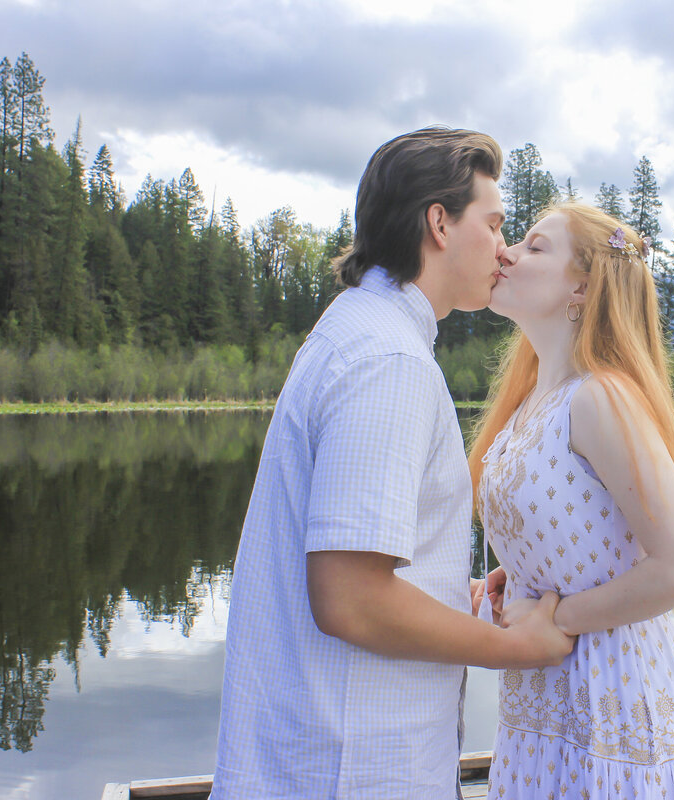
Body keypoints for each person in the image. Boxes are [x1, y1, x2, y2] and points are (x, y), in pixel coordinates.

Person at [211, 127, 574, 800]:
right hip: (349, 771)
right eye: (493, 224)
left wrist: (446, 594)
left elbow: (355, 569)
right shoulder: (390, 363)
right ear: (439, 222)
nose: (503, 247)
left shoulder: (356, 329)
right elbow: (350, 599)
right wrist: (516, 649)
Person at [468, 203, 674, 798]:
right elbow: (583, 529)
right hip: (545, 702)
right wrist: (519, 574)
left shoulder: (601, 397)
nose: (506, 253)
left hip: (615, 701)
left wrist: (554, 617)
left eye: (534, 246)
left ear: (581, 285)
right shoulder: (534, 401)